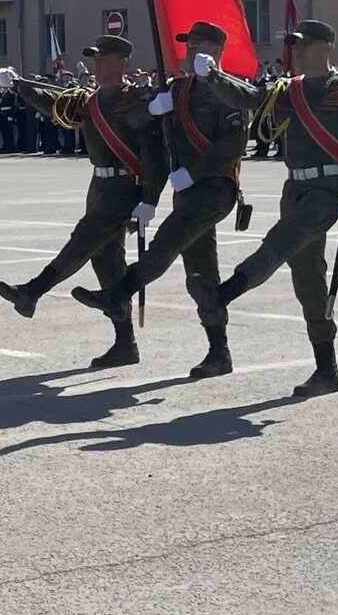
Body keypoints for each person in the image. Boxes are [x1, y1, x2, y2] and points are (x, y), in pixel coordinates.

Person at [70, 20, 259, 379]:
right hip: (186, 191)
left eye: (201, 45)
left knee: (166, 243)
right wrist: (153, 109)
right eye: (189, 45)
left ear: (218, 51)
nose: (192, 51)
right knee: (200, 276)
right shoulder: (177, 89)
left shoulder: (229, 91)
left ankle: (117, 293)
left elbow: (232, 145)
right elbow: (138, 123)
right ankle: (219, 353)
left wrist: (195, 171)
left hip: (215, 187)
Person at [217, 20, 338, 398]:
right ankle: (327, 371)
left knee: (281, 241)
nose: (298, 51)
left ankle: (227, 290)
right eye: (294, 45)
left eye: (304, 45)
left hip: (330, 188)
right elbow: (251, 98)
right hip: (296, 187)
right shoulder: (288, 90)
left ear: (325, 47)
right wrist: (215, 77)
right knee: (308, 279)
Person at [0, 35, 165, 370]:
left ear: (124, 62)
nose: (98, 65)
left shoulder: (137, 99)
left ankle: (33, 291)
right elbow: (55, 105)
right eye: (96, 59)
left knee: (82, 241)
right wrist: (19, 87)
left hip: (123, 185)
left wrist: (151, 199)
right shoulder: (91, 100)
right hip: (98, 184)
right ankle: (125, 343)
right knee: (106, 260)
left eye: (104, 59)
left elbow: (155, 153)